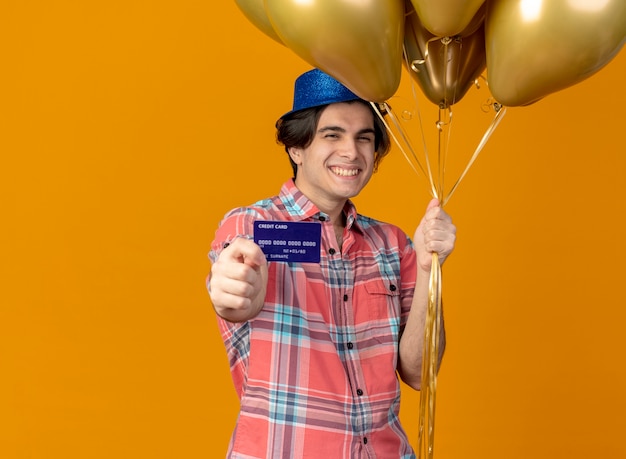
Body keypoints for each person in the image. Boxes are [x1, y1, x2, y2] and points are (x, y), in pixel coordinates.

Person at [208, 68, 456, 458]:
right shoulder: (252, 227)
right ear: (296, 147)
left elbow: (420, 374)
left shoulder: (393, 245)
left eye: (364, 138)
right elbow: (235, 298)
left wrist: (428, 269)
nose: (351, 152)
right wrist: (233, 292)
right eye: (332, 135)